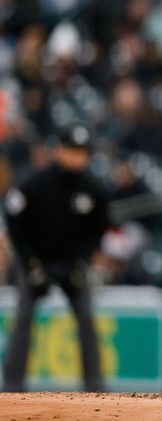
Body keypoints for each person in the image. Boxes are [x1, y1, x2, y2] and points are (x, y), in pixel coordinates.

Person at [2, 124, 110, 391]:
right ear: (59, 150)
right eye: (72, 150)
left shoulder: (94, 189)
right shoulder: (33, 183)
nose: (77, 157)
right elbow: (14, 221)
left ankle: (94, 385)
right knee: (24, 315)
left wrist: (82, 260)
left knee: (85, 317)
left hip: (72, 262)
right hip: (35, 261)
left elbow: (98, 230)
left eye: (82, 152)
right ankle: (13, 384)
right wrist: (29, 262)